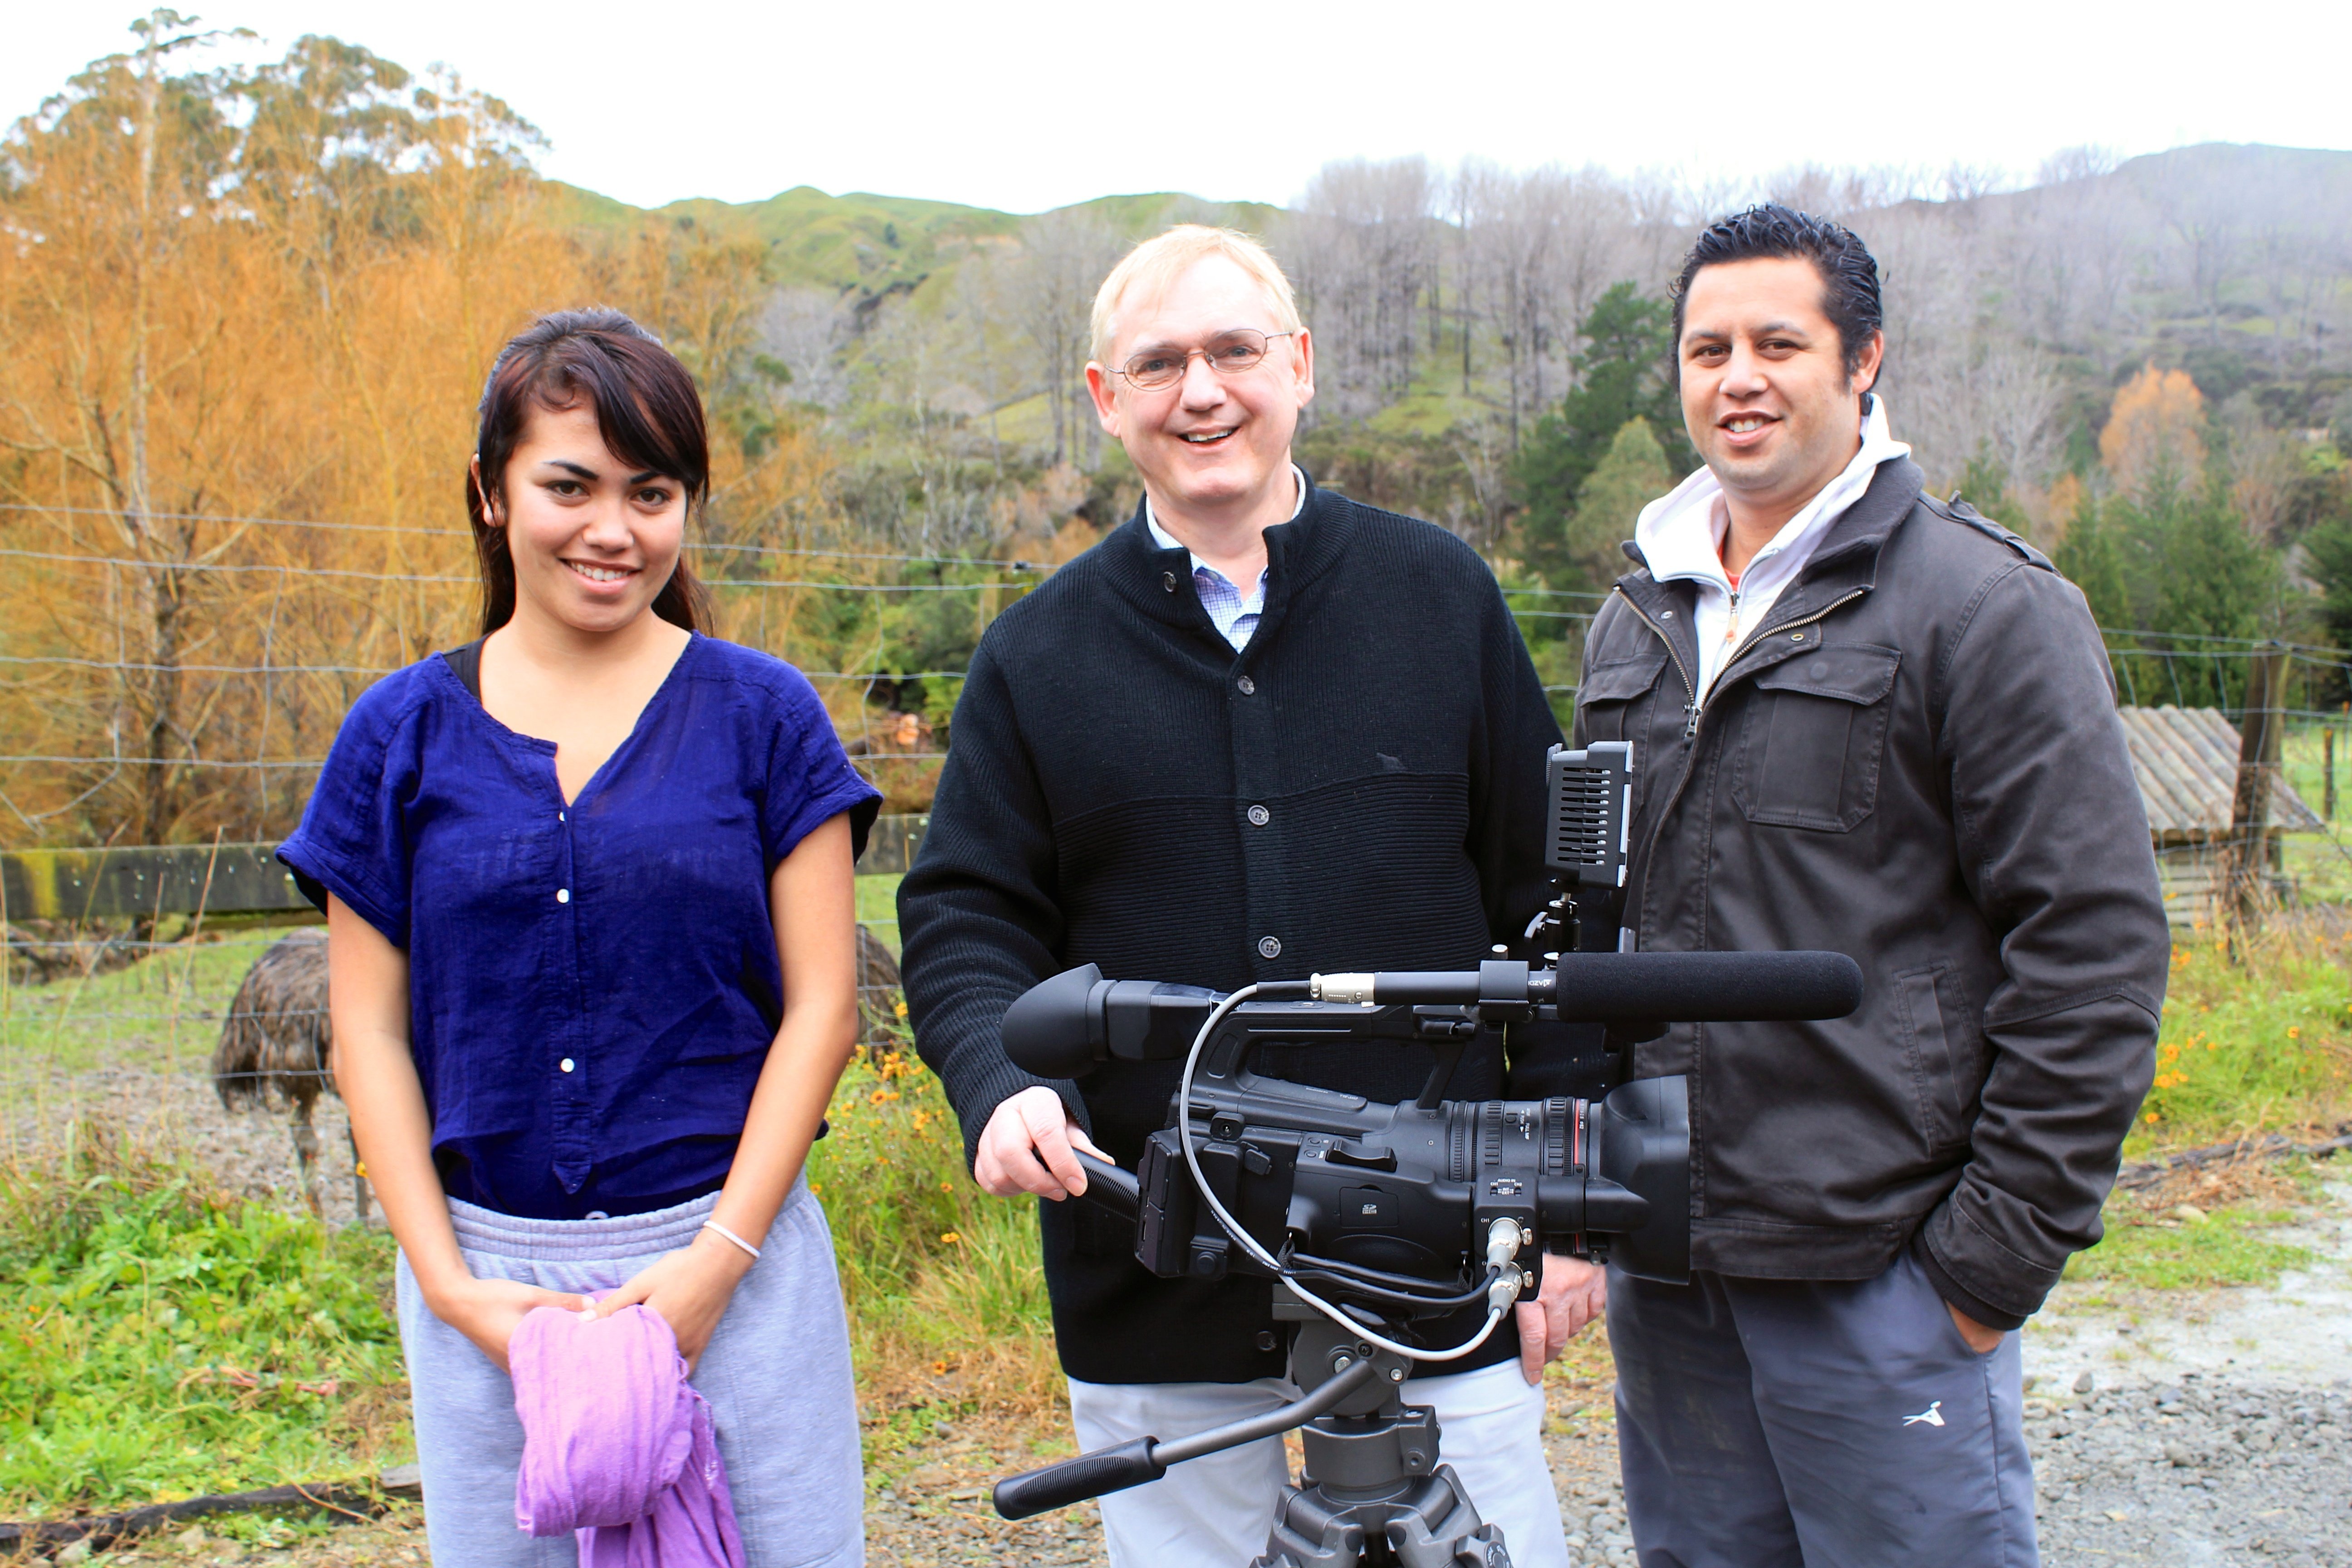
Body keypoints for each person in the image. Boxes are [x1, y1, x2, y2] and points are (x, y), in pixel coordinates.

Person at [897, 226, 1593, 1567]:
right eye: (1159, 362)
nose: (1201, 390)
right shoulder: (1035, 656)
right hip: (1150, 1256)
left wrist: (1560, 1207)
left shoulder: (1439, 595)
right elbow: (966, 918)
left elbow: (1550, 911)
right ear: (1108, 399)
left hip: (1433, 1250)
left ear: (1302, 368)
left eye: (1233, 351)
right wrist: (999, 1082)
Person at [1573, 206, 2170, 1567]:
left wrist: (1983, 1270)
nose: (1738, 378)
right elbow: (1591, 933)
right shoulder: (1635, 621)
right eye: (1707, 347)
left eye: (1780, 342)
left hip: (1882, 1271)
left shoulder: (1985, 608)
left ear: (1863, 362)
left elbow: (2094, 949)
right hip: (1667, 1274)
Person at [279, 310, 879, 1568]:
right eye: (570, 484)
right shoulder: (397, 737)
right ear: (493, 496)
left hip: (738, 1269)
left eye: (652, 492)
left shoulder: (766, 719)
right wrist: (448, 1287)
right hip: (491, 1289)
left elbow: (825, 1008)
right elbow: (367, 1034)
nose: (614, 529)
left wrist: (717, 1266)